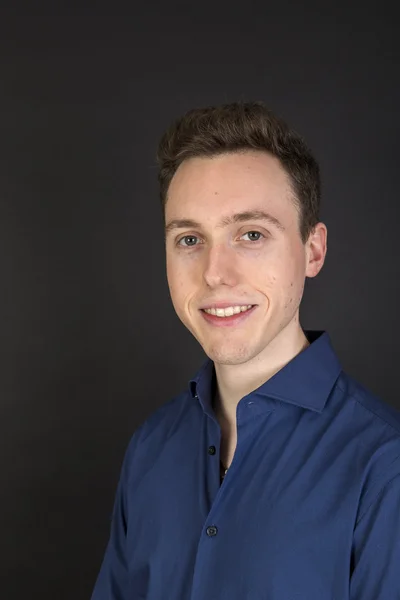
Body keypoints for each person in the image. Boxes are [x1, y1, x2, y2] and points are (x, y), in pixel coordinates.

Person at [91, 101, 400, 599]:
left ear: (313, 251)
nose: (215, 273)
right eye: (190, 239)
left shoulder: (386, 468)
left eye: (251, 235)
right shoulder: (151, 447)